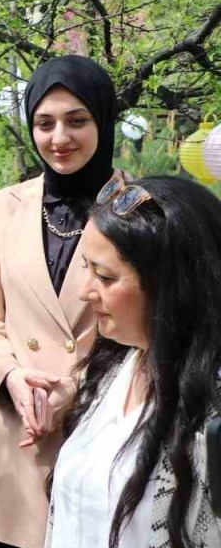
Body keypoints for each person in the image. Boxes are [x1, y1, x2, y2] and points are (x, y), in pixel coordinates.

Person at [0, 54, 120, 548]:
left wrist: (73, 388)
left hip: (102, 433)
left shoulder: (137, 208)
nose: (59, 138)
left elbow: (152, 332)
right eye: (44, 123)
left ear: (103, 121)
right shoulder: (5, 208)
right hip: (15, 443)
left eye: (77, 121)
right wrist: (11, 377)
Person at [48, 176, 221, 548]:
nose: (85, 292)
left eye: (106, 276)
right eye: (87, 268)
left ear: (175, 286)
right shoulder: (113, 370)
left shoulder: (211, 411)